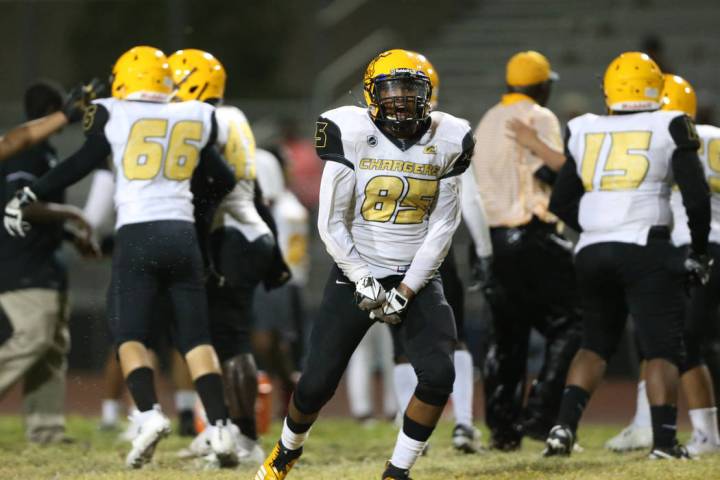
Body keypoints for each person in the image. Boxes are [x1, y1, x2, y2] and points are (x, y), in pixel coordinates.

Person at [3, 46, 241, 469]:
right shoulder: (196, 114)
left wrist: (30, 193)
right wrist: (196, 210)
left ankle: (148, 415)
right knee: (196, 338)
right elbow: (223, 178)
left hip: (139, 233)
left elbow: (78, 164)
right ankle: (220, 428)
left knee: (129, 333)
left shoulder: (112, 111)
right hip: (183, 233)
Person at [255, 48, 473, 480]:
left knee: (438, 375)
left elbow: (443, 227)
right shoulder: (350, 130)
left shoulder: (450, 137)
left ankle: (398, 472)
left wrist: (407, 289)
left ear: (427, 94)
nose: (402, 102)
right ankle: (285, 451)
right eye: (393, 92)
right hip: (360, 269)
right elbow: (331, 221)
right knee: (316, 383)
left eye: (412, 92)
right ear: (372, 95)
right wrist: (364, 280)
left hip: (417, 273)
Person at [543, 52, 711, 460]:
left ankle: (563, 428)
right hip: (645, 246)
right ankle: (666, 443)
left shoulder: (584, 128)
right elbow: (695, 194)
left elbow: (562, 199)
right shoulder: (669, 123)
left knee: (595, 343)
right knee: (662, 349)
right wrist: (700, 250)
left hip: (593, 249)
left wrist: (599, 229)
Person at [168, 48, 289, 465]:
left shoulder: (204, 121)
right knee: (222, 338)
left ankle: (245, 437)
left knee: (232, 339)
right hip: (249, 233)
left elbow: (210, 191)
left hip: (232, 238)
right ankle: (224, 429)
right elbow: (252, 191)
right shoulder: (233, 116)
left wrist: (200, 247)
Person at [469, 50, 582, 450]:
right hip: (533, 235)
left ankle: (503, 430)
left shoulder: (486, 120)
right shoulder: (539, 117)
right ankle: (540, 414)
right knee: (572, 322)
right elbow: (557, 172)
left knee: (506, 336)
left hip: (493, 240)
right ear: (541, 85)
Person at [604, 74, 720, 456]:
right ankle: (645, 425)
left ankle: (702, 433)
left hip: (690, 248)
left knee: (675, 343)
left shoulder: (662, 136)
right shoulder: (715, 134)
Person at [389, 51, 492, 454]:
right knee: (457, 339)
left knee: (402, 343)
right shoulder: (446, 131)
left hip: (390, 249)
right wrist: (483, 249)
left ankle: (408, 427)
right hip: (435, 251)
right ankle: (463, 423)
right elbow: (472, 198)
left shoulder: (373, 130)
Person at [0, 81, 98, 444]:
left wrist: (71, 236)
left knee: (52, 345)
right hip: (19, 262)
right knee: (34, 338)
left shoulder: (41, 149)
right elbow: (20, 204)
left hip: (43, 260)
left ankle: (46, 429)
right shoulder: (28, 153)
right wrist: (72, 213)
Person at [0, 79, 101, 163]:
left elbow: (13, 141)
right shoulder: (27, 155)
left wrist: (63, 116)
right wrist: (64, 115)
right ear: (50, 109)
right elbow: (13, 142)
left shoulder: (37, 149)